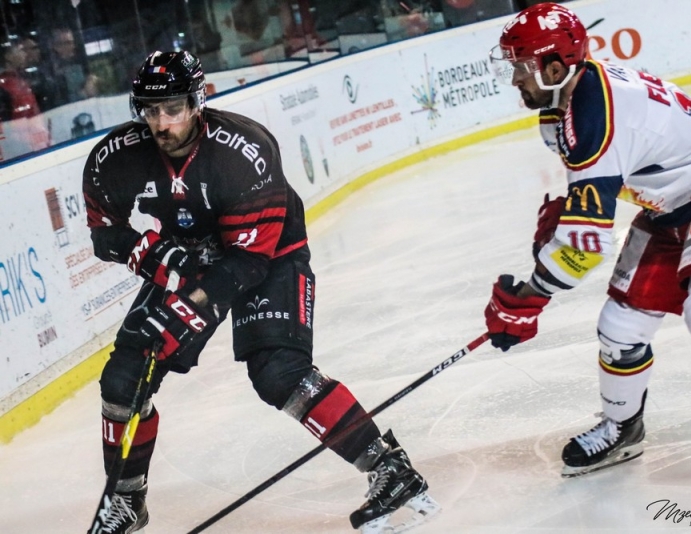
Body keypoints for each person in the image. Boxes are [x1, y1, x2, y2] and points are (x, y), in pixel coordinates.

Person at [82, 50, 439, 533]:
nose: (160, 123)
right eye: (149, 110)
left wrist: (185, 311)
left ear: (197, 102)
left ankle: (388, 468)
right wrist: (161, 260)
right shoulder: (115, 157)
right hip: (191, 257)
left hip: (268, 254)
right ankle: (125, 501)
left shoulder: (242, 151)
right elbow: (106, 234)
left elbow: (245, 265)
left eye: (172, 108)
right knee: (123, 380)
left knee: (278, 371)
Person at [484, 2, 691, 498]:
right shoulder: (569, 100)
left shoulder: (592, 116)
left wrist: (531, 296)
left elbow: (586, 245)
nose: (514, 80)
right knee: (620, 327)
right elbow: (596, 201)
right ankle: (622, 430)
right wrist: (571, 212)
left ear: (554, 67)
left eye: (521, 68)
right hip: (677, 201)